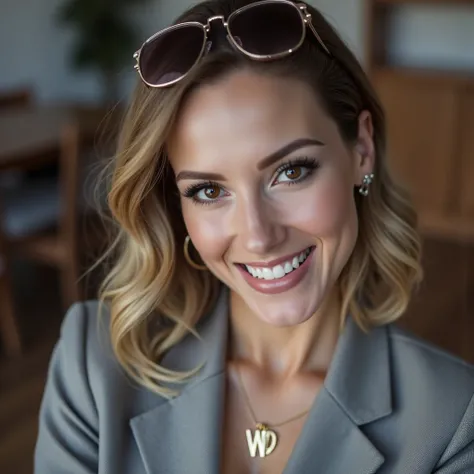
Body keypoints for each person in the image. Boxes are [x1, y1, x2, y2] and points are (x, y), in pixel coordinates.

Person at [34, 0, 474, 473]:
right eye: (207, 190)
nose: (258, 236)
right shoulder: (92, 365)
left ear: (361, 150)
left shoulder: (451, 419)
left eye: (291, 171)